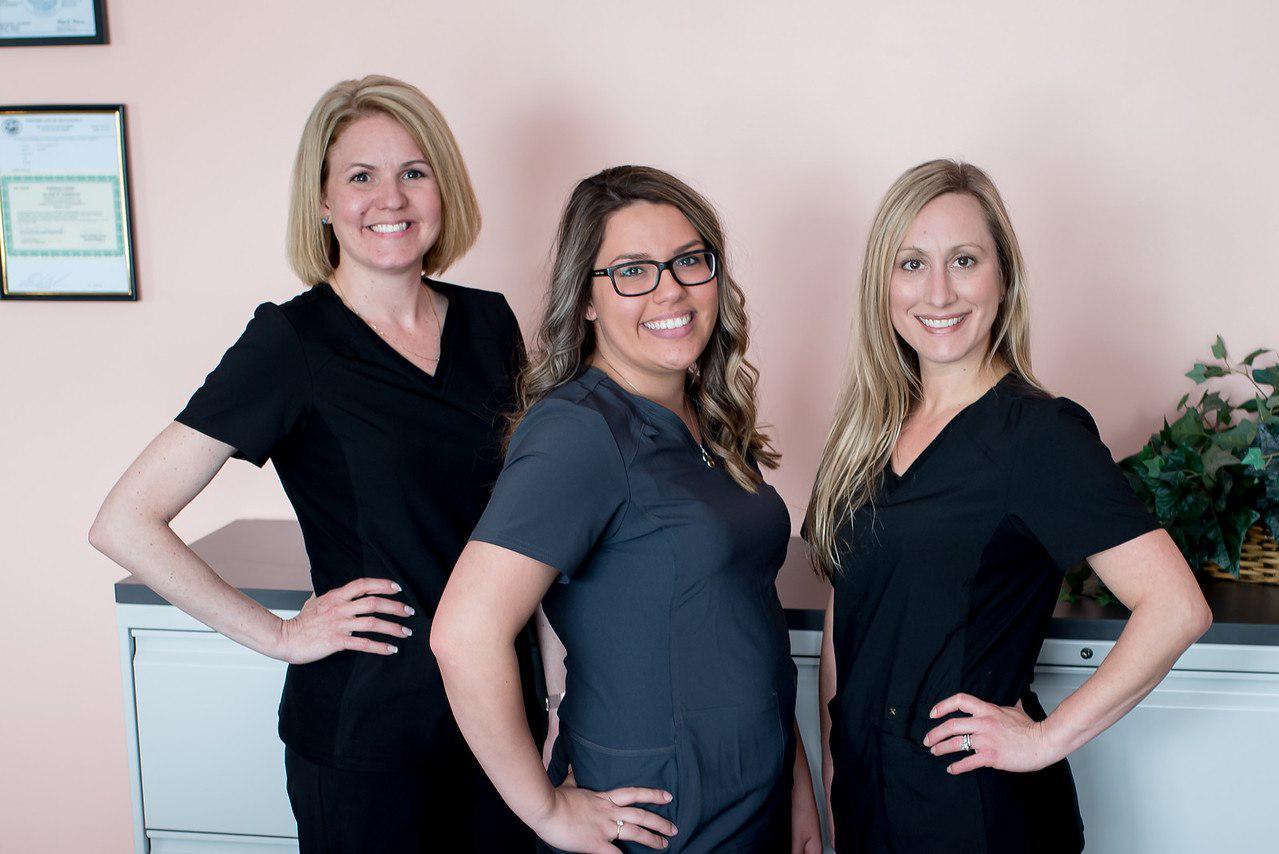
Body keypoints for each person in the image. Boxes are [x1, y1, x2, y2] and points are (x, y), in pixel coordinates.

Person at [89, 75, 538, 853]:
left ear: (443, 188)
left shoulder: (489, 322)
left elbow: (526, 518)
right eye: (360, 176)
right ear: (324, 202)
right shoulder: (290, 343)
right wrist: (277, 635)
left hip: (501, 718)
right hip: (370, 732)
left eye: (413, 171)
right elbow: (123, 522)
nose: (390, 199)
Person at [805, 158, 1213, 853]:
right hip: (869, 805)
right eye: (911, 264)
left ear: (1004, 277)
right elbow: (849, 626)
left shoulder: (1038, 435)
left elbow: (1177, 607)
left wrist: (1043, 740)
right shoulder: (865, 434)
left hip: (977, 815)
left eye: (964, 260)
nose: (938, 291)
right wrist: (833, 786)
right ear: (883, 283)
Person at [431, 165, 824, 853]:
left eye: (688, 261)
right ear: (585, 298)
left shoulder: (708, 417)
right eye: (632, 271)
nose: (670, 290)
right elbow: (463, 634)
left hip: (752, 796)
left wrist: (794, 786)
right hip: (659, 814)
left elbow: (739, 617)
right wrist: (545, 810)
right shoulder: (579, 432)